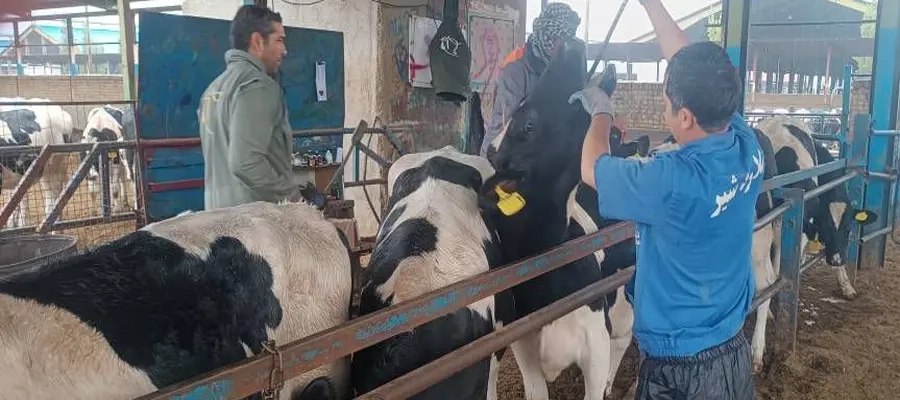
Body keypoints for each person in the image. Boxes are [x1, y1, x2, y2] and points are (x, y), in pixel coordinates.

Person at [568, 0, 760, 398]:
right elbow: (689, 61)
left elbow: (592, 168)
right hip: (731, 347)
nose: (664, 104)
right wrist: (651, 4)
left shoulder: (670, 180)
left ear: (685, 117)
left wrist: (601, 112)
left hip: (679, 372)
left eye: (667, 100)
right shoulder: (743, 142)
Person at [198, 4, 300, 210]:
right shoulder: (257, 86)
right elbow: (245, 162)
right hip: (256, 227)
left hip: (218, 224)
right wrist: (293, 198)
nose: (285, 50)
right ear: (257, 41)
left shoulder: (212, 90)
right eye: (279, 40)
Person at [479, 2, 580, 156]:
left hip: (540, 156)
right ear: (548, 36)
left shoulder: (560, 72)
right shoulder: (517, 71)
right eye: (560, 39)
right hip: (509, 154)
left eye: (567, 40)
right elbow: (505, 124)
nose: (563, 46)